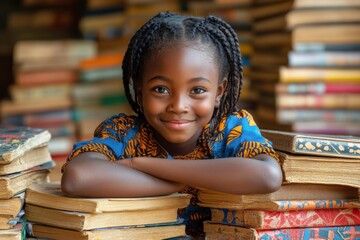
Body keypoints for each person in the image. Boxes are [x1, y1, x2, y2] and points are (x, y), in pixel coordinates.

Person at [61, 12, 283, 238]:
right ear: (139, 91)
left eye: (197, 90)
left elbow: (268, 176)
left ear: (218, 92)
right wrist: (174, 184)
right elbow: (77, 177)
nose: (178, 106)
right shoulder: (123, 132)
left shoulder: (231, 129)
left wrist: (139, 165)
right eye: (160, 89)